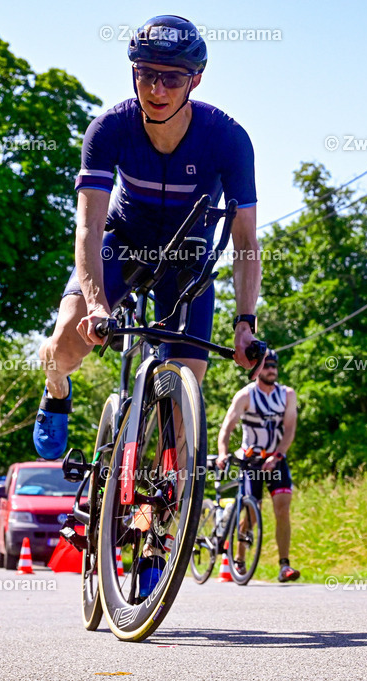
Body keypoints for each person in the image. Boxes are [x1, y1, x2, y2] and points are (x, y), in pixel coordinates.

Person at [33, 15, 261, 460]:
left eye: (172, 78)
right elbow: (88, 226)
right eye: (146, 74)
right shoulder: (109, 129)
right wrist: (98, 303)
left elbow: (246, 240)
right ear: (133, 72)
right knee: (63, 346)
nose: (157, 90)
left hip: (188, 258)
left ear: (195, 79)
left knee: (183, 401)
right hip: (122, 241)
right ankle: (56, 388)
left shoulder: (228, 139)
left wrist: (245, 323)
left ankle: (165, 507)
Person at [216, 350, 301, 582]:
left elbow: (290, 428)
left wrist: (278, 455)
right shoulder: (245, 396)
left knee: (283, 509)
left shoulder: (287, 395)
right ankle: (240, 558)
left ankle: (285, 566)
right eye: (267, 366)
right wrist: (223, 453)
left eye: (274, 366)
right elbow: (226, 428)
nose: (272, 370)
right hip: (250, 460)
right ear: (257, 368)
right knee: (252, 513)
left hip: (276, 458)